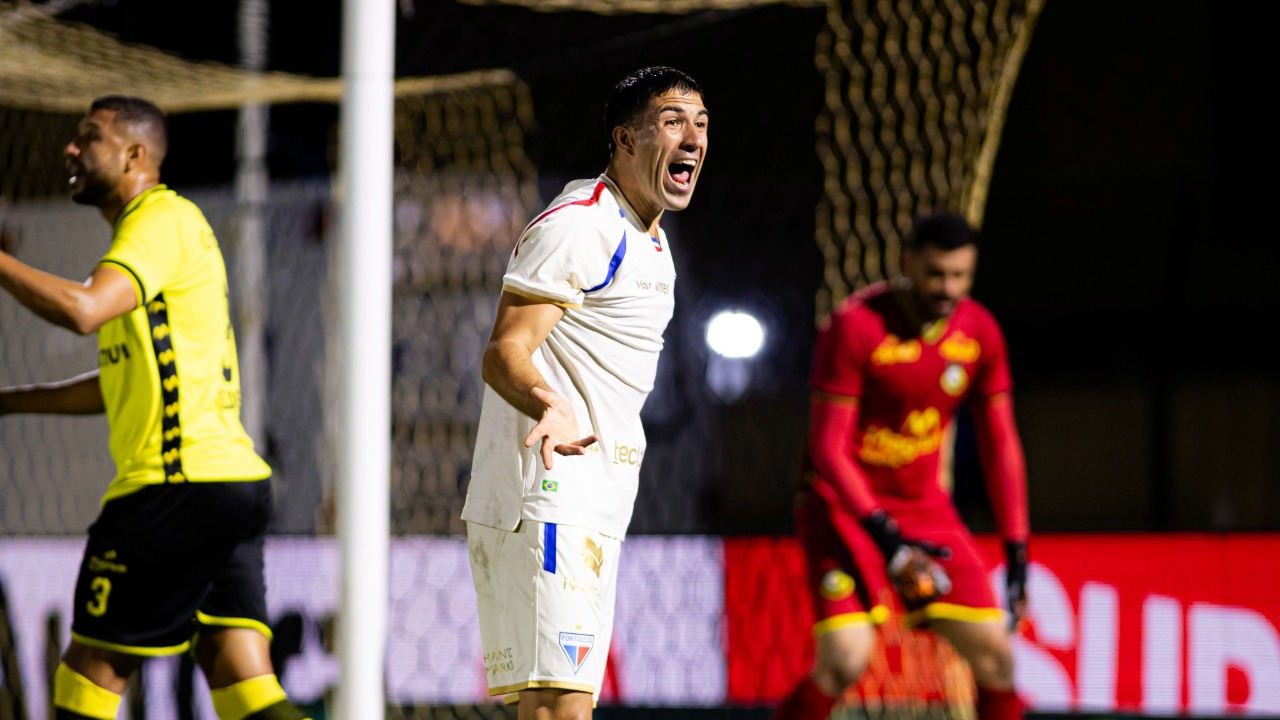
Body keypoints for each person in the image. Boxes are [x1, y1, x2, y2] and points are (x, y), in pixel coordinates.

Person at [0, 96, 309, 720]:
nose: (70, 149)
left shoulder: (157, 221)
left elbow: (83, 310)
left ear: (136, 156)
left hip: (175, 489)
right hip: (227, 486)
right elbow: (118, 382)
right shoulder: (153, 241)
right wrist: (12, 401)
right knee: (241, 680)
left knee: (89, 673)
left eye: (89, 137)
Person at [460, 66, 708, 719]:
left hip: (596, 496)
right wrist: (551, 402)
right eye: (673, 122)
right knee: (556, 704)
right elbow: (504, 350)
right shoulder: (578, 226)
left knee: (567, 704)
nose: (692, 138)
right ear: (625, 140)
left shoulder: (651, 239)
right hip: (546, 493)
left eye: (701, 124)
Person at [774, 210, 1030, 720]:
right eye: (936, 273)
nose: (947, 287)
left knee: (997, 660)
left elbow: (1001, 444)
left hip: (924, 512)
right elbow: (827, 449)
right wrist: (888, 541)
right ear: (906, 262)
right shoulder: (855, 326)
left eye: (960, 275)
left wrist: (1018, 549)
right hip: (843, 510)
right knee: (844, 661)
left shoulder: (979, 333)